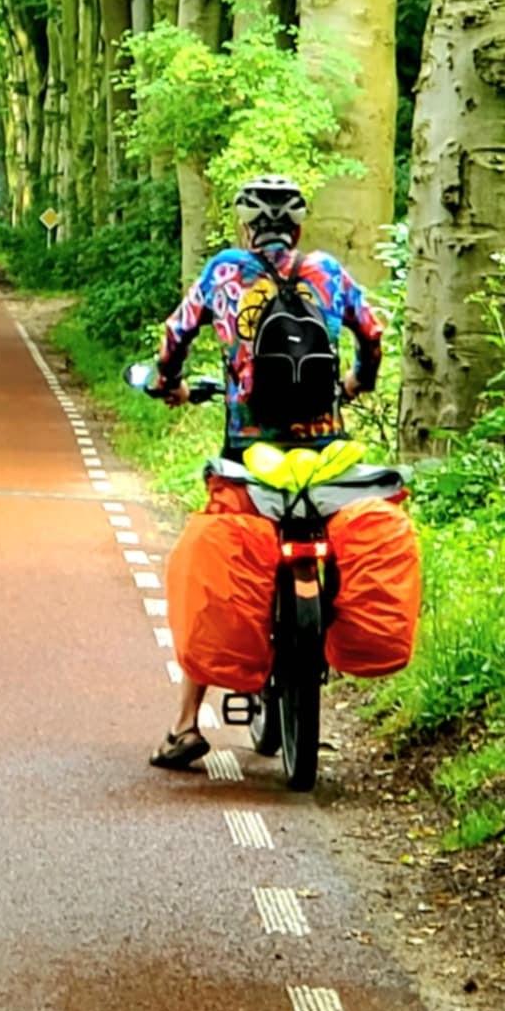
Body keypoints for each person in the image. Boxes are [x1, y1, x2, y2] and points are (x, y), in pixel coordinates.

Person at [146, 174, 385, 772]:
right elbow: (372, 333)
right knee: (339, 535)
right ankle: (333, 627)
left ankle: (185, 725)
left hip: (248, 452)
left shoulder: (223, 274)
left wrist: (167, 383)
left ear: (244, 226)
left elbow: (176, 336)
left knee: (219, 563)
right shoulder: (327, 273)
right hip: (325, 449)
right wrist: (358, 382)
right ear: (298, 229)